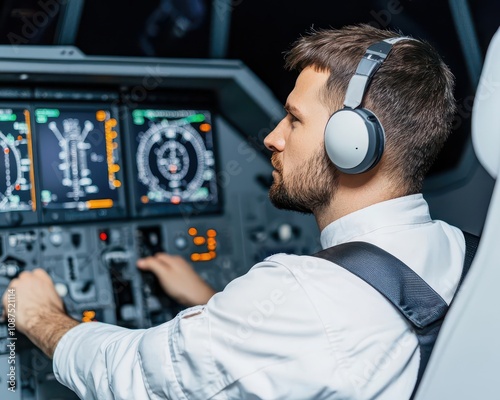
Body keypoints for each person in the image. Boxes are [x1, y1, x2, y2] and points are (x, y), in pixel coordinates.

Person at [2, 24, 463, 399]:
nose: (272, 138)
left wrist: (41, 315)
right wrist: (210, 300)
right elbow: (314, 351)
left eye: (295, 119)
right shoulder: (466, 254)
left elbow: (134, 378)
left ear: (352, 143)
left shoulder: (307, 296)